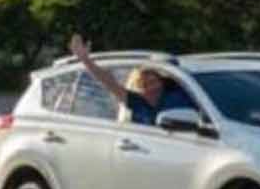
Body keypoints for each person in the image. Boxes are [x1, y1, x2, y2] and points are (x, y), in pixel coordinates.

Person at [68, 34, 198, 125]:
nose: (148, 87)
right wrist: (86, 60)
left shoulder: (179, 97)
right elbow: (109, 83)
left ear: (162, 82)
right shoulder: (137, 102)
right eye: (143, 84)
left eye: (152, 82)